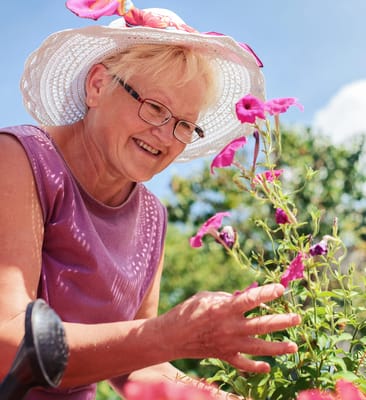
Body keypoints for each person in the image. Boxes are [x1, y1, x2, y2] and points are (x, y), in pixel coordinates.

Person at [0, 1, 301, 399]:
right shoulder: (19, 159)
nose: (164, 135)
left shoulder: (150, 217)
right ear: (97, 85)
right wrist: (169, 334)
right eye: (154, 107)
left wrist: (221, 396)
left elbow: (139, 366)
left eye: (184, 125)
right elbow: (9, 344)